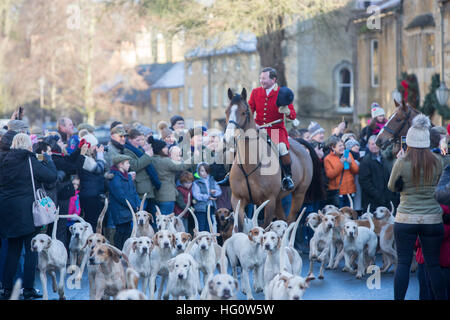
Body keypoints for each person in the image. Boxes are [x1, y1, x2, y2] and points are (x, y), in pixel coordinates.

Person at [388, 114, 447, 300]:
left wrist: (400, 160)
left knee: (404, 263)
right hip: (432, 218)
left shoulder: (402, 161)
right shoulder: (438, 161)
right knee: (433, 265)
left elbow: (391, 186)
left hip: (406, 217)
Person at [0, 133, 57, 299]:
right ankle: (28, 288)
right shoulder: (30, 161)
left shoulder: (3, 161)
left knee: (12, 250)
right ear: (28, 145)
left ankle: (7, 288)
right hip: (28, 211)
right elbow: (51, 177)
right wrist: (48, 159)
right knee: (31, 249)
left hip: (7, 211)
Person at [248, 67, 297, 190]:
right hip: (258, 129)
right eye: (260, 78)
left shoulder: (282, 93)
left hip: (275, 130)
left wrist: (286, 111)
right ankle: (231, 174)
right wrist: (253, 124)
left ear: (273, 79)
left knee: (281, 148)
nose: (261, 81)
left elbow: (292, 115)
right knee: (240, 144)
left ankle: (287, 176)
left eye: (264, 78)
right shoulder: (255, 92)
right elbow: (249, 111)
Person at [148, 136, 193, 215]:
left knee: (159, 221)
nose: (167, 149)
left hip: (156, 195)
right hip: (167, 196)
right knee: (167, 221)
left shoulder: (151, 160)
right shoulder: (165, 161)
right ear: (160, 149)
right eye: (165, 147)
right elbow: (182, 166)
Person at [123, 129, 161, 217]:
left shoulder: (140, 150)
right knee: (140, 215)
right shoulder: (127, 151)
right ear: (130, 140)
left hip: (148, 187)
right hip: (140, 188)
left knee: (152, 216)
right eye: (137, 140)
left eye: (142, 140)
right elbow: (134, 166)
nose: (140, 142)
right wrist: (147, 156)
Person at [108, 154, 140, 250]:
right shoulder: (115, 178)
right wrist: (133, 206)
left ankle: (125, 253)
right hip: (120, 211)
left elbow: (133, 192)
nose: (129, 165)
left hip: (128, 210)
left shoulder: (127, 177)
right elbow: (121, 196)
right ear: (120, 165)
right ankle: (118, 253)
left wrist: (137, 204)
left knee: (127, 233)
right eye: (127, 163)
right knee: (120, 234)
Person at [358, 135, 397, 211]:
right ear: (368, 145)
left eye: (376, 143)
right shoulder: (365, 161)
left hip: (386, 200)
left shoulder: (384, 159)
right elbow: (364, 182)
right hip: (372, 201)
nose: (375, 146)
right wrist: (378, 195)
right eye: (372, 144)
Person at [324, 137, 359, 208]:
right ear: (333, 147)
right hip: (338, 192)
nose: (342, 147)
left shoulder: (348, 154)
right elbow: (330, 175)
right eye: (340, 146)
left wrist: (351, 163)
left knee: (349, 213)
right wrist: (341, 164)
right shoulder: (328, 158)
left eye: (343, 145)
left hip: (350, 191)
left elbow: (356, 171)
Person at [192, 163, 222, 232]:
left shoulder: (212, 180)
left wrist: (214, 192)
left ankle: (208, 240)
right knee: (201, 226)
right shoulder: (196, 182)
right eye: (202, 171)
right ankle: (200, 241)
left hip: (210, 206)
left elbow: (219, 191)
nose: (204, 173)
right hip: (200, 208)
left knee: (210, 225)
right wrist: (208, 197)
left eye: (205, 171)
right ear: (198, 171)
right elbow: (196, 195)